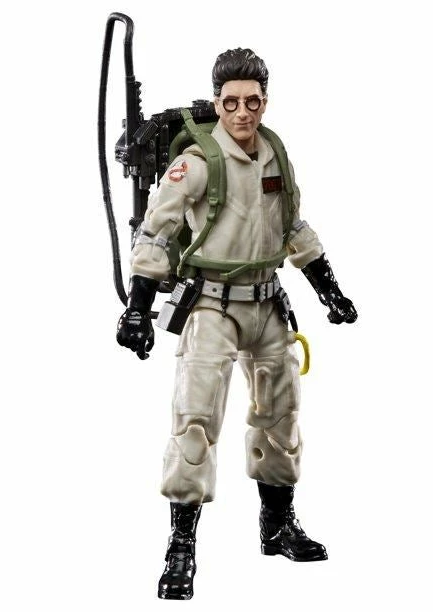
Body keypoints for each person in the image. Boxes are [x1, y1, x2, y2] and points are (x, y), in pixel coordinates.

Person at [116, 48, 357, 600]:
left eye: (252, 101)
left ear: (264, 101)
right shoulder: (198, 162)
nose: (242, 112)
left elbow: (292, 227)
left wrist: (330, 290)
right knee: (195, 419)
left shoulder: (275, 153)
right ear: (217, 103)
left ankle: (278, 525)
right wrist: (138, 307)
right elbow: (155, 231)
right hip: (211, 306)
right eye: (231, 102)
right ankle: (181, 545)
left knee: (280, 416)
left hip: (268, 303)